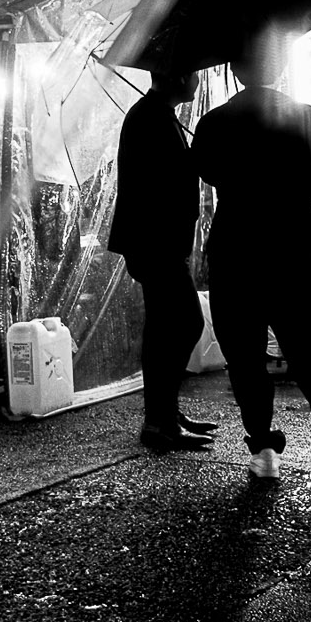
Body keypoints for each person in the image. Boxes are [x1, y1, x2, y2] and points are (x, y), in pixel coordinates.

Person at [192, 28, 311, 479]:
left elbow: (205, 169)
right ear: (277, 67)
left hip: (234, 250)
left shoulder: (214, 122)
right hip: (290, 249)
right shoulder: (306, 116)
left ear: (235, 70)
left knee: (243, 354)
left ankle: (262, 450)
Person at [107, 67, 219, 453]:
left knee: (165, 326)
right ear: (175, 77)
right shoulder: (148, 118)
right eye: (193, 74)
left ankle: (164, 414)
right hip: (155, 243)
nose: (196, 81)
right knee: (185, 323)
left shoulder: (157, 115)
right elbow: (158, 183)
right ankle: (159, 419)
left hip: (159, 243)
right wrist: (193, 160)